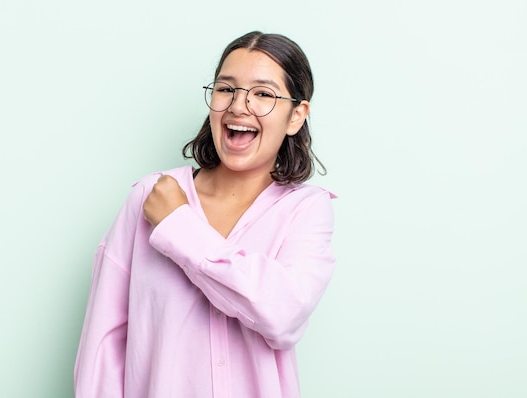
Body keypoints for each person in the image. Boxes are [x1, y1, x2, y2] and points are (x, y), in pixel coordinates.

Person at [74, 31, 336, 398]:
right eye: (226, 89)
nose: (238, 107)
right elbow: (102, 347)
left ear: (296, 116)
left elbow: (283, 314)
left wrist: (179, 227)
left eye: (262, 94)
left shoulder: (306, 210)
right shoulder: (150, 197)